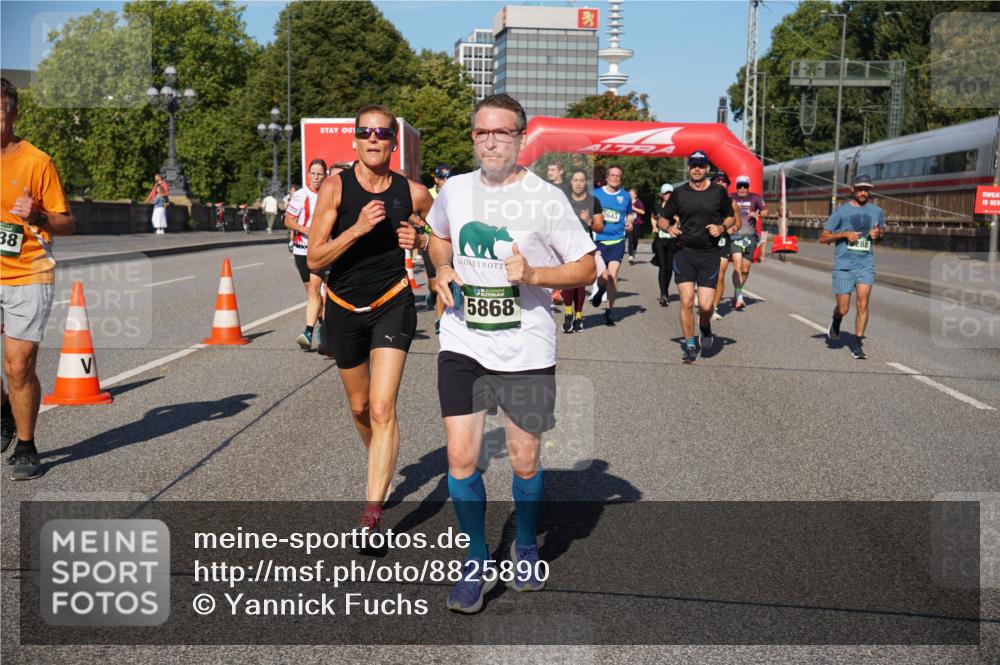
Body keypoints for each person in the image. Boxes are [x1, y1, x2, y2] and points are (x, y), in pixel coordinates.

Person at [427, 93, 596, 613]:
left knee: (524, 461)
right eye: (483, 132)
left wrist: (536, 275)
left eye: (503, 132)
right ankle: (476, 559)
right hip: (463, 340)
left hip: (525, 346)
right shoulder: (454, 190)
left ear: (521, 137)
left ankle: (525, 542)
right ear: (473, 137)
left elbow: (586, 267)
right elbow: (437, 237)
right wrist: (441, 269)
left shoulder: (546, 198)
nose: (492, 140)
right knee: (461, 457)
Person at [307, 104, 433, 536]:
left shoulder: (412, 193)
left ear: (394, 142)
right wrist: (357, 229)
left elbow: (441, 238)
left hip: (392, 302)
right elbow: (315, 257)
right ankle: (379, 455)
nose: (374, 138)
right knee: (360, 407)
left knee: (382, 407)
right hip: (342, 307)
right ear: (355, 140)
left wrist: (422, 237)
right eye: (366, 132)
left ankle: (372, 512)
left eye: (382, 132)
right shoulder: (336, 189)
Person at [1, 77, 76, 480]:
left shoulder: (36, 161)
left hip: (28, 271)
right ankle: (3, 411)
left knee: (18, 367)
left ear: (12, 113)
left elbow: (67, 223)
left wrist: (37, 216)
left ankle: (27, 446)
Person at [658, 151, 738, 364]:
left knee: (705, 306)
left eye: (701, 166)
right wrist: (670, 228)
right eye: (693, 165)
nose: (696, 169)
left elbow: (731, 217)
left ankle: (704, 325)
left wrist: (721, 226)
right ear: (689, 168)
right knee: (686, 301)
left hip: (709, 254)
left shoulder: (718, 193)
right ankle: (690, 345)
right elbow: (662, 220)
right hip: (684, 252)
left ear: (707, 169)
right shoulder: (679, 193)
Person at [819, 174, 884, 359]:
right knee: (844, 308)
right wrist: (844, 234)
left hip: (865, 264)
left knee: (863, 303)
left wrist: (877, 234)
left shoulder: (877, 211)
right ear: (852, 189)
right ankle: (836, 320)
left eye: (866, 189)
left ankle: (857, 344)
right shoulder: (841, 212)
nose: (863, 192)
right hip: (844, 265)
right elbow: (823, 237)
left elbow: (883, 231)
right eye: (860, 189)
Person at [285, 159, 327, 350]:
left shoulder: (328, 194)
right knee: (312, 291)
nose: (316, 177)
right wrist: (305, 229)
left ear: (325, 175)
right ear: (308, 175)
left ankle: (313, 332)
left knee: (317, 291)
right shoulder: (301, 195)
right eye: (313, 173)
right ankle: (323, 327)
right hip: (302, 249)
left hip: (322, 249)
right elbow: (288, 221)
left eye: (319, 174)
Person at [560, 168, 604, 333]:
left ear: (586, 183)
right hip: (565, 245)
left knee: (579, 284)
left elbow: (600, 227)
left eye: (581, 180)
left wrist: (589, 221)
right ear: (570, 182)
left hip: (585, 246)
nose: (578, 183)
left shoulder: (594, 202)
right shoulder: (563, 201)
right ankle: (567, 315)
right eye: (575, 180)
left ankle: (578, 317)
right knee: (567, 281)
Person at [590, 164, 633, 325]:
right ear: (606, 177)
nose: (615, 178)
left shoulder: (626, 196)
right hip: (598, 240)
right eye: (612, 175)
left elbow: (629, 214)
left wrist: (630, 221)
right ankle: (601, 290)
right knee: (603, 276)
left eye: (618, 176)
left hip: (617, 240)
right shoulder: (595, 194)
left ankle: (609, 310)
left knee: (613, 274)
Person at [728, 175, 767, 310]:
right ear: (736, 186)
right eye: (740, 186)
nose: (742, 189)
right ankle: (739, 296)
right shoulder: (730, 197)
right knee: (737, 267)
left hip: (750, 237)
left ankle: (736, 291)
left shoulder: (755, 198)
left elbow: (765, 211)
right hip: (735, 236)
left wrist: (758, 214)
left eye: (745, 186)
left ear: (748, 186)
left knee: (745, 269)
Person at [425, 164, 452, 334]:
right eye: (442, 177)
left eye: (448, 177)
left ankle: (440, 319)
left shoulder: (454, 193)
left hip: (448, 241)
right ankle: (431, 293)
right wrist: (420, 221)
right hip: (429, 240)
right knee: (434, 285)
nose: (445, 180)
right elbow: (413, 211)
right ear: (436, 179)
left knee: (444, 280)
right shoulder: (428, 194)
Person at [710, 171, 733, 320]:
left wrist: (733, 228)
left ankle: (714, 307)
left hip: (723, 240)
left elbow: (737, 222)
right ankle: (703, 295)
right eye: (717, 180)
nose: (721, 182)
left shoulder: (732, 202)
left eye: (724, 180)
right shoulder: (703, 198)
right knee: (703, 273)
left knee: (720, 274)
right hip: (704, 241)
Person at [652, 183, 678, 307]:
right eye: (666, 193)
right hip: (660, 240)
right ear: (662, 195)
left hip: (673, 240)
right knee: (662, 266)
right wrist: (654, 227)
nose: (668, 195)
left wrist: (676, 219)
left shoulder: (677, 207)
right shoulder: (657, 206)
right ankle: (664, 293)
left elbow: (682, 220)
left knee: (669, 268)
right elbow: (653, 217)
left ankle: (665, 290)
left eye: (670, 193)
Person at [626, 187, 647, 265]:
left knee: (635, 239)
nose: (630, 195)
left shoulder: (639, 202)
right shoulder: (627, 202)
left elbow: (643, 212)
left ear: (635, 195)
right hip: (629, 223)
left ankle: (634, 250)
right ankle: (631, 256)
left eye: (631, 194)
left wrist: (634, 208)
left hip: (637, 223)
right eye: (629, 194)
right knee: (630, 239)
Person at [282, 183, 298, 252]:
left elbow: (285, 206)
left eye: (293, 190)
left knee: (292, 230)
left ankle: (292, 242)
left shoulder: (287, 197)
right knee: (292, 230)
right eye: (292, 190)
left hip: (290, 215)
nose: (293, 192)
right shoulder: (297, 197)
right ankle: (292, 242)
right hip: (293, 216)